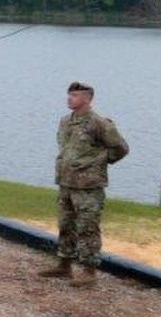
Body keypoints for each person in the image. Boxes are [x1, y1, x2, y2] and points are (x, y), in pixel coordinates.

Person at [41, 80, 129, 287]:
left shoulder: (98, 123)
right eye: (69, 94)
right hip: (67, 182)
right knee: (66, 224)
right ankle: (64, 265)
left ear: (87, 99)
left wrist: (97, 162)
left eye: (75, 95)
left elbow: (121, 148)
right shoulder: (65, 121)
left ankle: (89, 271)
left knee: (87, 227)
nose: (70, 98)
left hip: (88, 186)